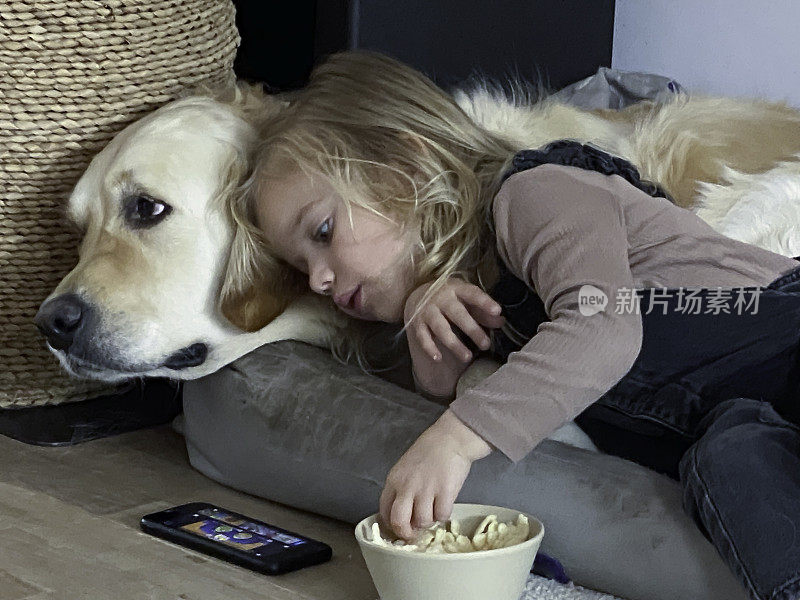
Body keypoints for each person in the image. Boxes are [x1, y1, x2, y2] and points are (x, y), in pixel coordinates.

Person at [240, 50, 800, 600]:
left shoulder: (535, 193)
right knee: (728, 463)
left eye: (322, 232)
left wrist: (454, 440)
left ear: (405, 167)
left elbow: (602, 327)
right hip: (740, 417)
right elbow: (535, 395)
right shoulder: (473, 308)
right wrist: (439, 367)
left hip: (781, 336)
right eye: (300, 266)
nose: (316, 281)